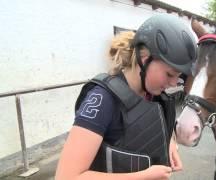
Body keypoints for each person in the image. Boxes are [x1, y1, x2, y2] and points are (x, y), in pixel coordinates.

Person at [55, 14, 197, 180]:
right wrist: (143, 176)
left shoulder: (156, 96)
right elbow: (67, 176)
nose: (174, 83)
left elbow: (155, 125)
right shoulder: (103, 100)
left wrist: (169, 142)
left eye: (178, 76)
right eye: (169, 74)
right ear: (145, 60)